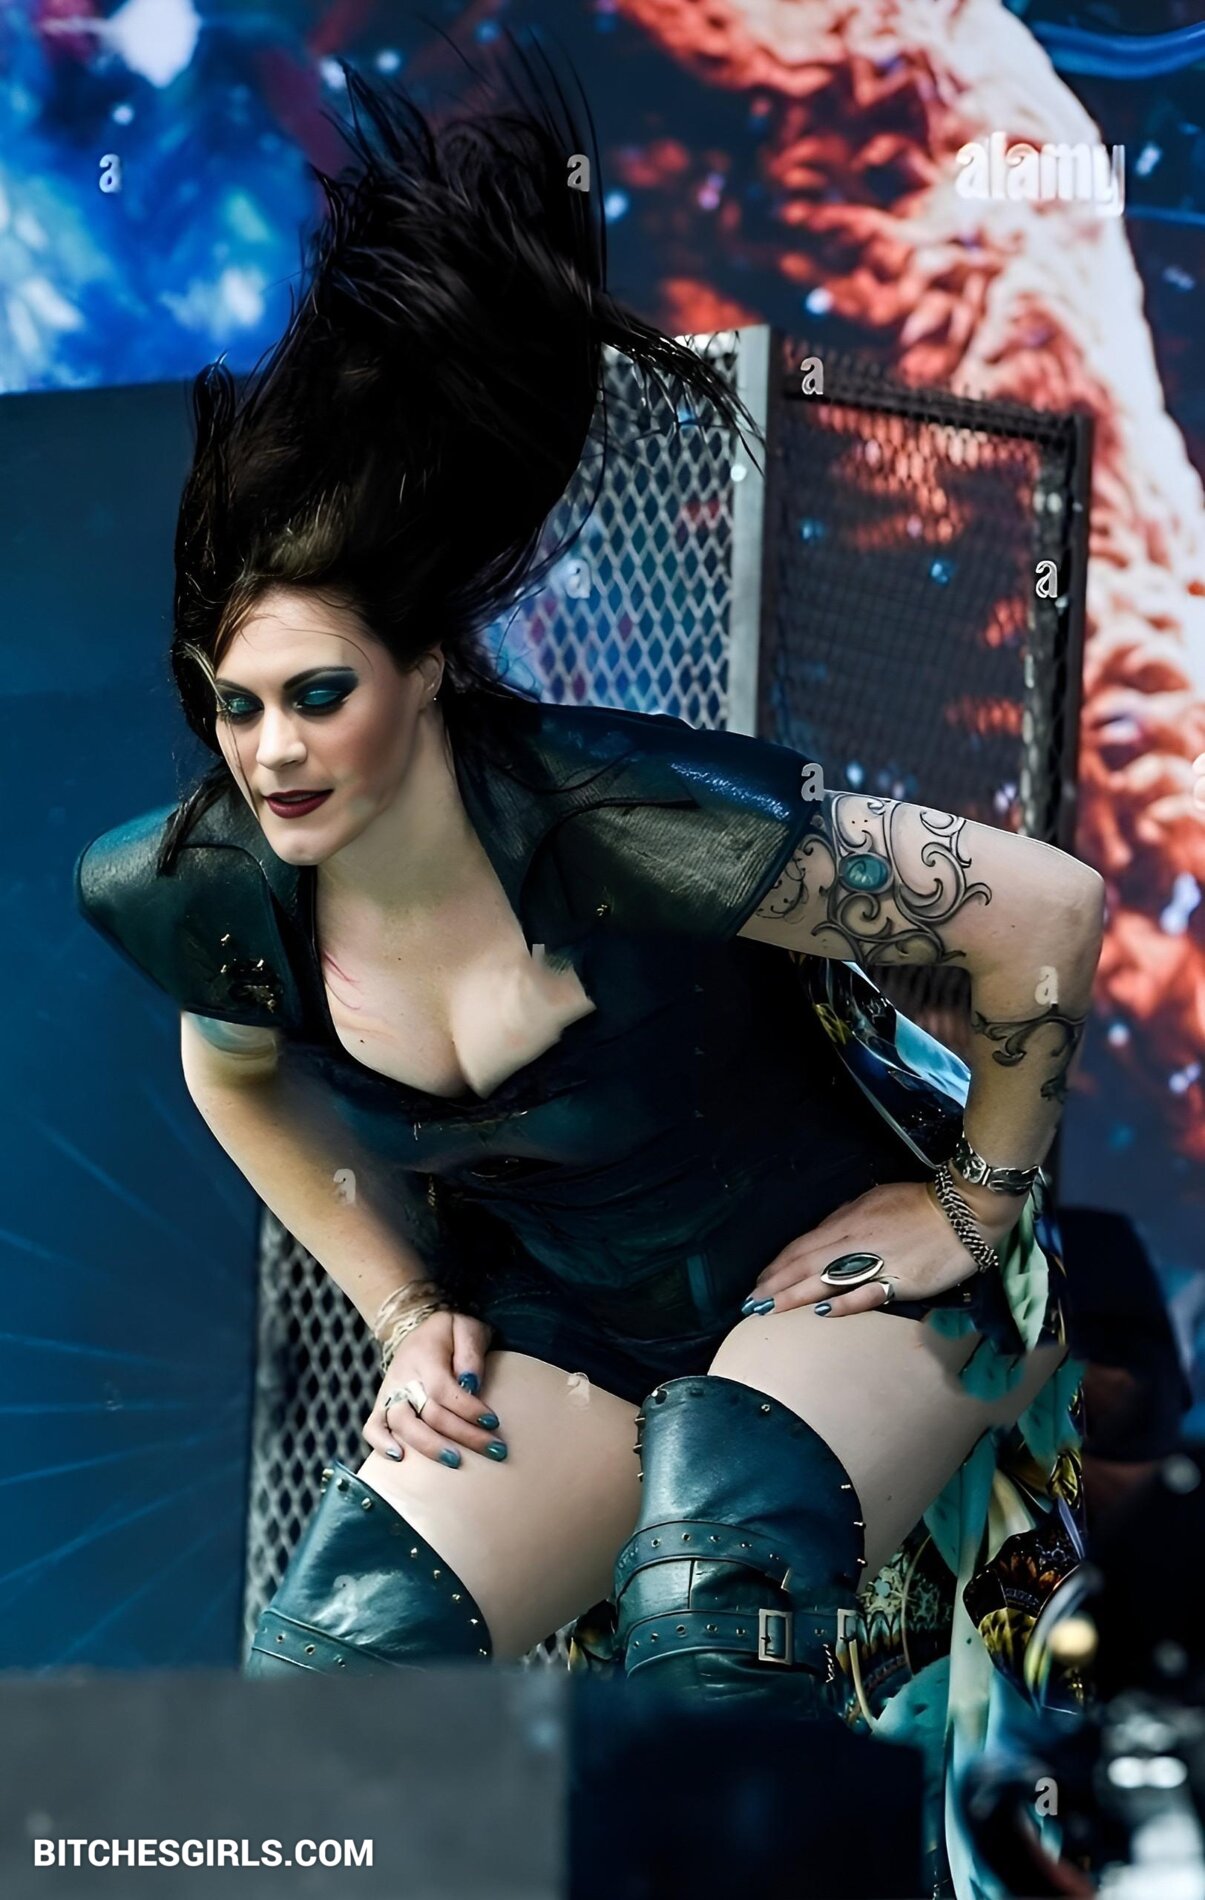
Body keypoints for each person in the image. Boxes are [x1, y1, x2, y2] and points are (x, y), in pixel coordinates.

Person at [74, 48, 1100, 1899]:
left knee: (719, 1583)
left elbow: (1038, 912)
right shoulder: (208, 887)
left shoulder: (634, 818)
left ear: (426, 676)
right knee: (332, 1683)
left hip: (836, 1273)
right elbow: (235, 1077)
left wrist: (979, 1198)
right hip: (569, 1324)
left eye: (317, 695)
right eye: (234, 705)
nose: (271, 750)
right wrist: (402, 1306)